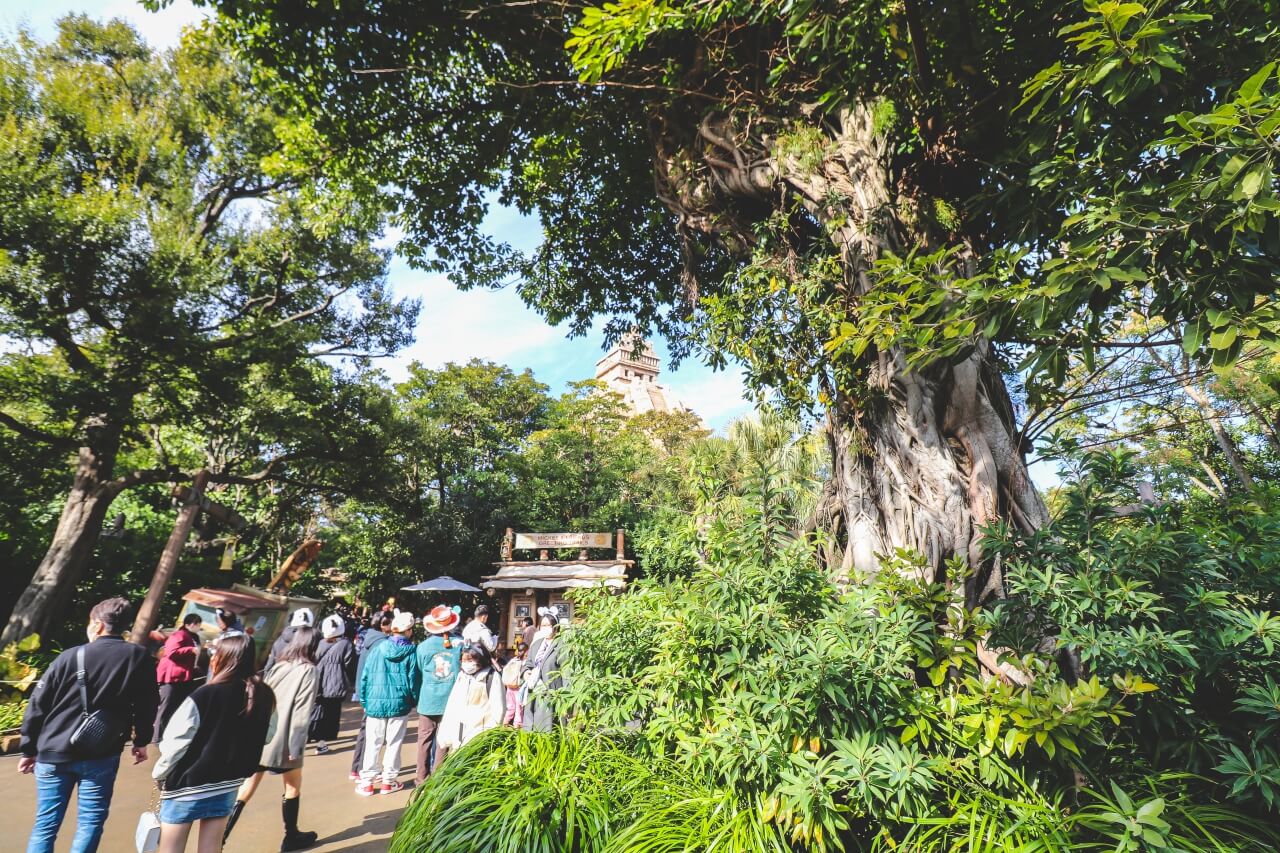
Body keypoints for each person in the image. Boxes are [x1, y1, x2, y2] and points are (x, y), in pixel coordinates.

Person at [19, 597, 158, 853]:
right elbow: (148, 704)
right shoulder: (139, 657)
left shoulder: (69, 657)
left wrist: (28, 749)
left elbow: (37, 704)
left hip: (53, 751)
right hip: (101, 752)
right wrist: (141, 741)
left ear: (97, 624)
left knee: (46, 824)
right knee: (91, 821)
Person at [152, 634, 275, 853]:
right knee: (211, 848)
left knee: (170, 848)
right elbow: (268, 734)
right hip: (228, 782)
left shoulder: (203, 695)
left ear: (222, 658)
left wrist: (160, 773)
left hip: (186, 785)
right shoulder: (263, 694)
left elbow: (175, 743)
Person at [224, 626, 319, 851]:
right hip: (285, 739)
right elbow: (302, 711)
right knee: (293, 786)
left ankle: (220, 836)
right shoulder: (309, 670)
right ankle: (291, 836)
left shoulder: (279, 665)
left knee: (247, 787)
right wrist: (296, 746)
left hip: (262, 735)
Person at [354, 611, 421, 796]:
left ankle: (367, 781)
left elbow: (365, 676)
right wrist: (413, 700)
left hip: (375, 703)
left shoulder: (378, 648)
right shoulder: (411, 652)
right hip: (400, 703)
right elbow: (413, 680)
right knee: (394, 742)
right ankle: (388, 781)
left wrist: (364, 699)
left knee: (373, 742)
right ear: (408, 631)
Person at [434, 645, 504, 768]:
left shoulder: (491, 677)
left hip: (480, 735)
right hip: (459, 734)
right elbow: (453, 704)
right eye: (464, 660)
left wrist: (490, 735)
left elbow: (499, 710)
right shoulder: (462, 676)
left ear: (480, 659)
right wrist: (446, 732)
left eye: (470, 660)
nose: (466, 664)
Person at [414, 605, 461, 782]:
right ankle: (438, 778)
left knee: (423, 741)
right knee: (443, 741)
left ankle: (421, 778)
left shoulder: (423, 647)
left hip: (427, 699)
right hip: (450, 699)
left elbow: (419, 669)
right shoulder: (459, 645)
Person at [348, 610, 393, 782]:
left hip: (366, 691)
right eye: (389, 623)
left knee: (365, 730)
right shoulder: (382, 643)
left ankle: (356, 768)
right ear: (383, 624)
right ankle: (363, 771)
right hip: (376, 692)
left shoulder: (368, 638)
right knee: (373, 734)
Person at [309, 614, 355, 754]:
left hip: (316, 684)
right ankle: (321, 743)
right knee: (329, 716)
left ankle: (304, 740)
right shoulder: (346, 644)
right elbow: (350, 666)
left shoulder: (318, 643)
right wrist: (351, 683)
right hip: (335, 685)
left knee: (313, 712)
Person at [155, 613, 203, 739]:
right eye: (197, 624)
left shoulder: (192, 637)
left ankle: (170, 733)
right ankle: (157, 736)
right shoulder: (179, 635)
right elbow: (171, 653)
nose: (198, 627)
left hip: (184, 677)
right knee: (166, 707)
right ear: (190, 624)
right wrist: (190, 650)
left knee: (179, 706)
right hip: (171, 676)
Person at [521, 609, 564, 733]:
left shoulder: (561, 645)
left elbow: (566, 674)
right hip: (533, 692)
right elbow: (528, 664)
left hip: (550, 694)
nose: (545, 628)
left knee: (547, 729)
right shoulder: (536, 644)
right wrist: (526, 673)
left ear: (555, 627)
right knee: (530, 728)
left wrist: (565, 701)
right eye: (543, 625)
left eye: (548, 625)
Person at [501, 643, 526, 727]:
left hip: (509, 686)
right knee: (519, 709)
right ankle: (517, 727)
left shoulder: (513, 660)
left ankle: (504, 724)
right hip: (518, 688)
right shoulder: (524, 662)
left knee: (510, 707)